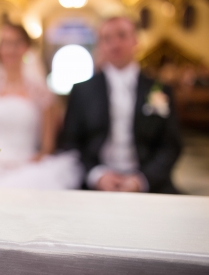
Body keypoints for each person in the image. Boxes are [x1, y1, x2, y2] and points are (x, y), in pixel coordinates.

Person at [60, 16, 181, 193]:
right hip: (95, 182)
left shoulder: (159, 89)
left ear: (136, 41)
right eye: (107, 39)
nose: (115, 44)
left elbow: (171, 145)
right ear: (100, 45)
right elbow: (69, 142)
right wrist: (96, 175)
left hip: (147, 181)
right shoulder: (82, 90)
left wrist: (142, 180)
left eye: (122, 36)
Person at [0, 22, 83, 190]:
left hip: (27, 168)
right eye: (5, 43)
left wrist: (26, 166)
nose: (10, 49)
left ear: (26, 48)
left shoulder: (42, 93)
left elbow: (47, 146)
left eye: (16, 43)